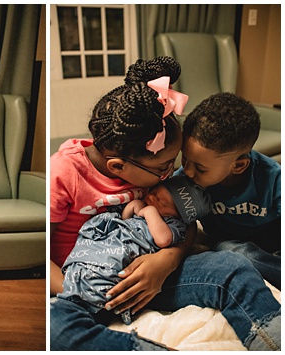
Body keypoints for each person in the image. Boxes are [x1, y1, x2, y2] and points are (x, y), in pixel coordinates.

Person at [49, 56, 280, 350]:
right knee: (55, 327)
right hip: (83, 287)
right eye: (166, 167)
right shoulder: (64, 174)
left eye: (174, 164)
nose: (174, 174)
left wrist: (166, 262)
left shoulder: (149, 167)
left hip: (151, 276)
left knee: (232, 264)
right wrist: (85, 292)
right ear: (119, 167)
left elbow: (187, 225)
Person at [58, 176, 209, 327]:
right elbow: (124, 219)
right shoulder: (144, 206)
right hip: (112, 243)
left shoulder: (173, 224)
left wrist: (150, 212)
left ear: (178, 215)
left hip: (129, 253)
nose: (151, 198)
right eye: (154, 192)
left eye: (160, 201)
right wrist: (133, 206)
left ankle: (92, 310)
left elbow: (163, 240)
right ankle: (81, 288)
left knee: (109, 277)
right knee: (92, 261)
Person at [177, 93, 280, 289]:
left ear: (239, 166)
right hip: (232, 243)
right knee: (232, 252)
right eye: (184, 159)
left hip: (273, 236)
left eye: (200, 168)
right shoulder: (185, 180)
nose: (188, 171)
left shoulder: (273, 178)